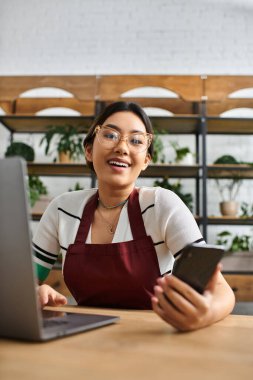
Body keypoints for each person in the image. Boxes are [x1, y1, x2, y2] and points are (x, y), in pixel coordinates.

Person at [33, 101, 235, 331]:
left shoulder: (162, 205)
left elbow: (221, 289)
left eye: (136, 140)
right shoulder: (62, 210)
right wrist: (34, 293)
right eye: (110, 135)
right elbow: (23, 280)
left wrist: (206, 312)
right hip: (85, 336)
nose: (122, 147)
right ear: (88, 150)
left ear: (146, 160)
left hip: (154, 335)